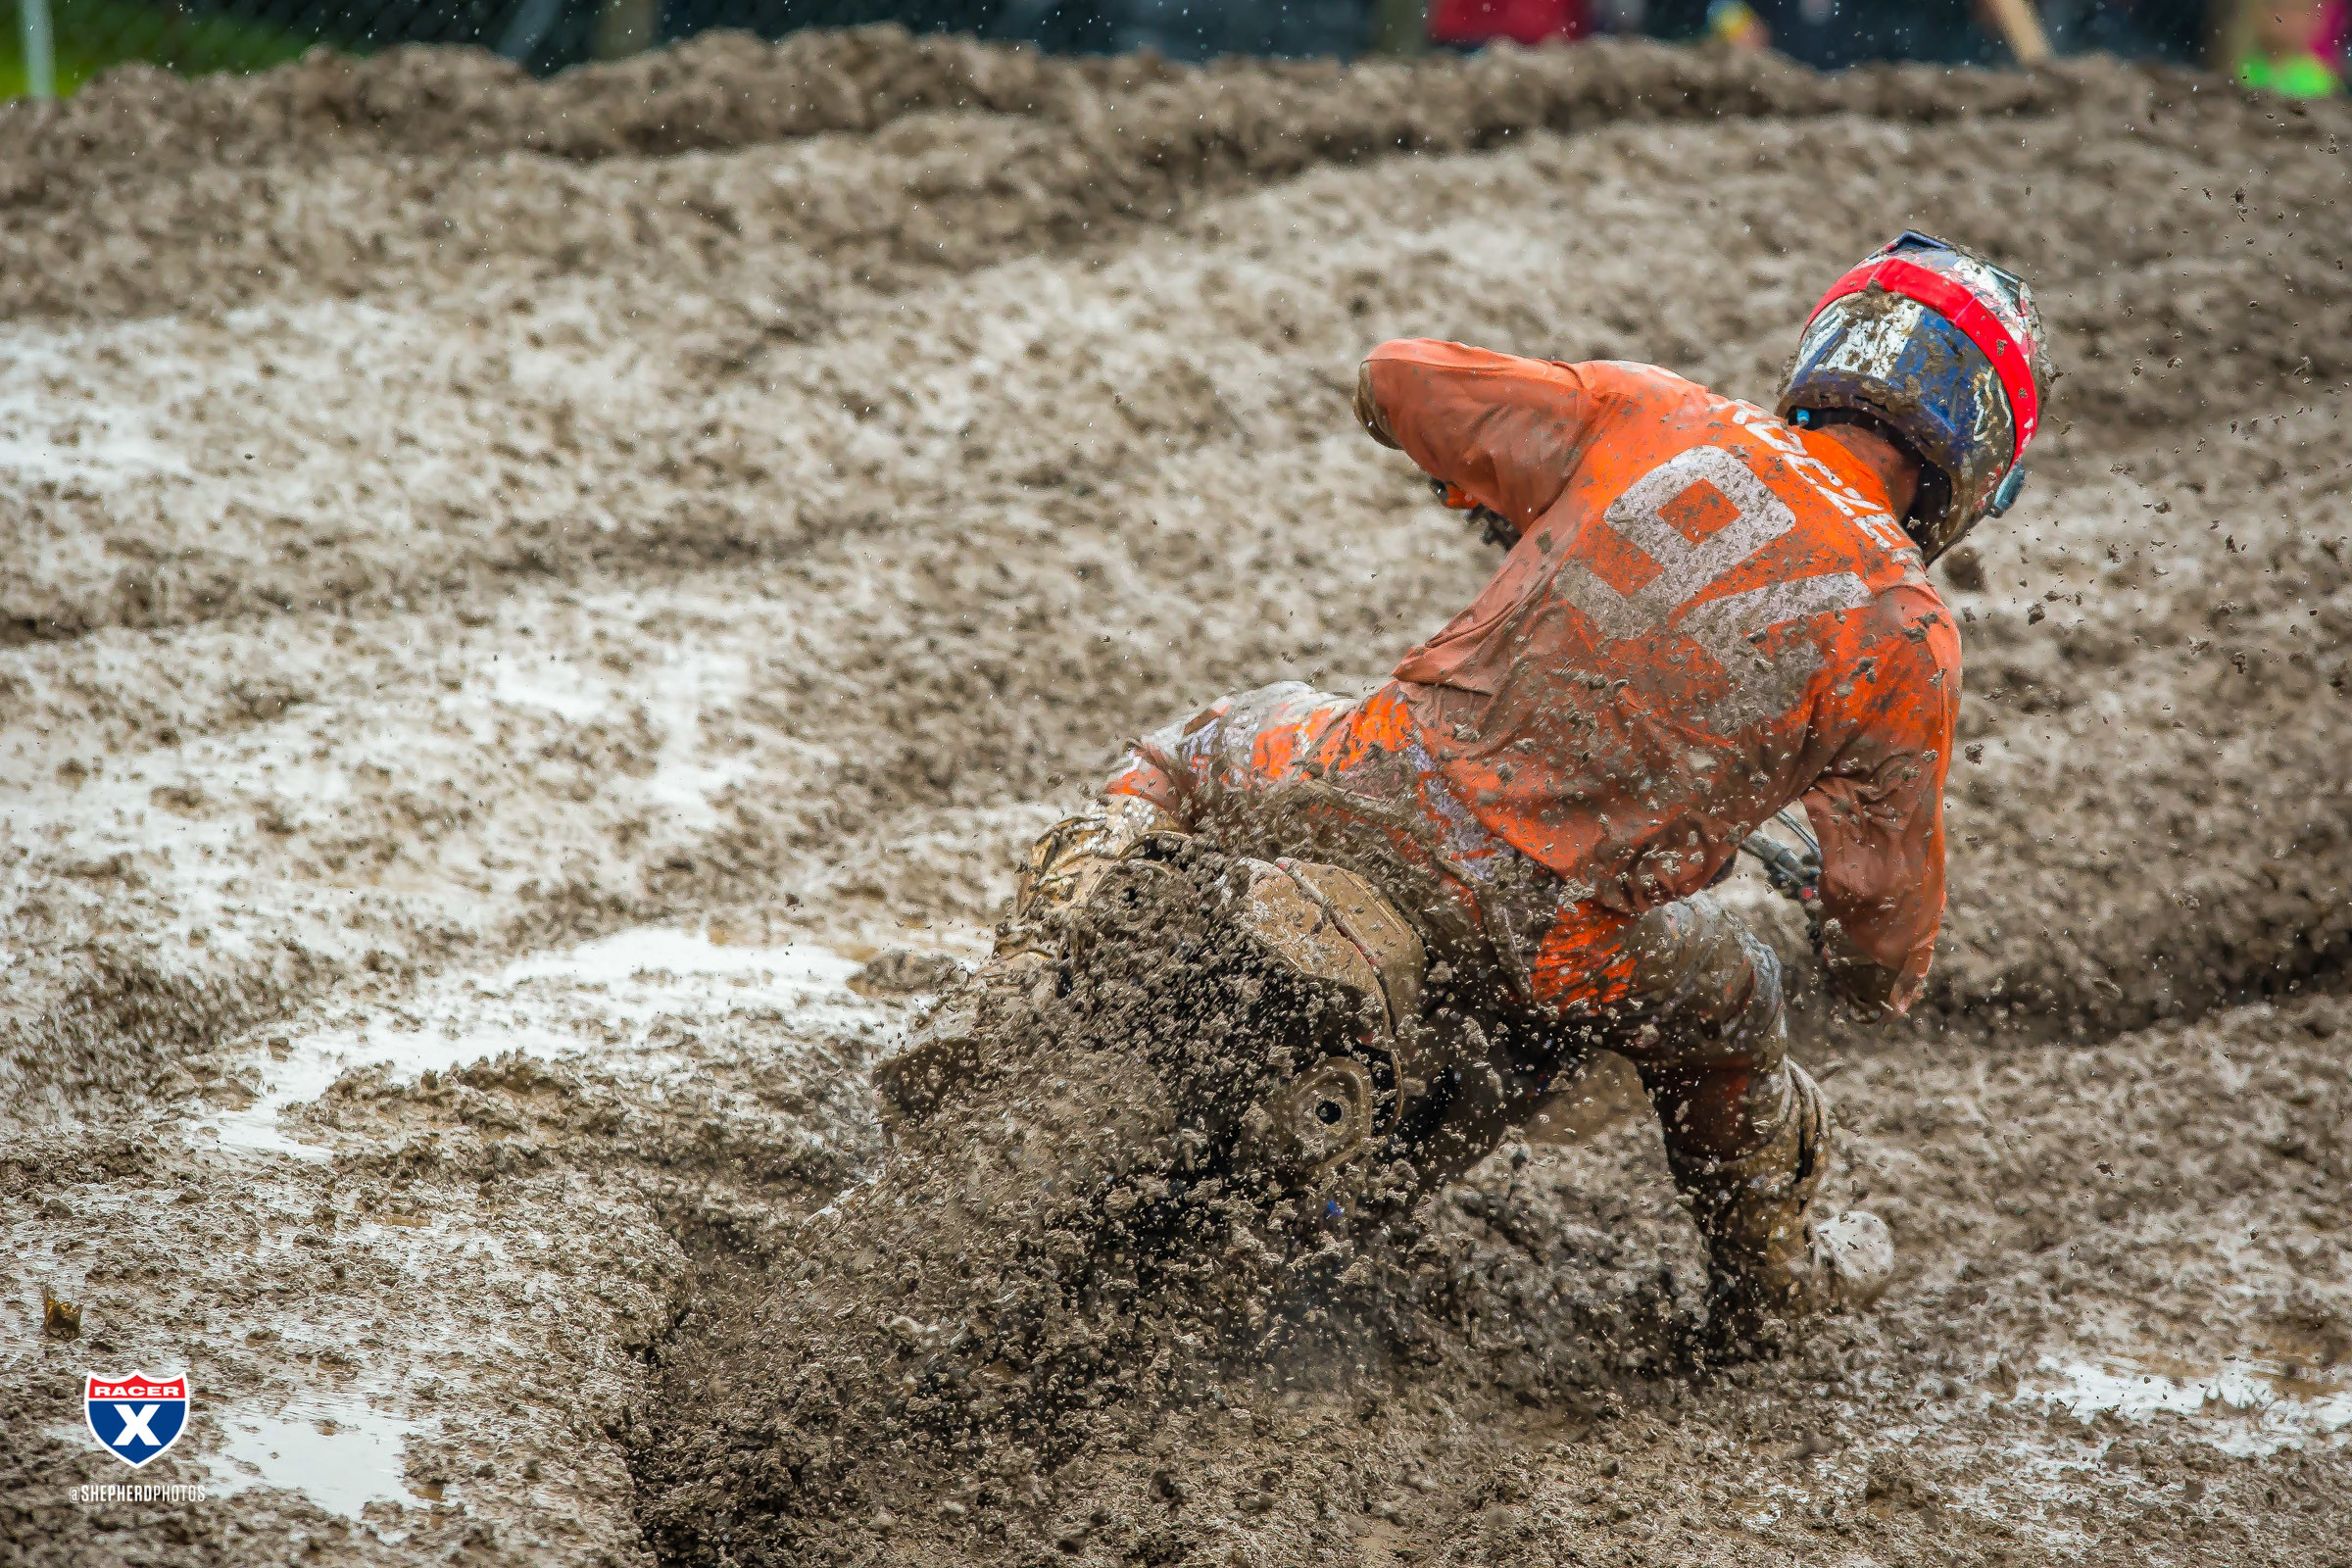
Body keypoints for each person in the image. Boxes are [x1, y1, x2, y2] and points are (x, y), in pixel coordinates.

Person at [900, 232, 2051, 1349]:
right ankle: (1765, 1294)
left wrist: (1510, 478)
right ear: (1975, 463)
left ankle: (1014, 983)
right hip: (1550, 937)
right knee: (1739, 1002)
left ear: (1832, 352)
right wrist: (1861, 966)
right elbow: (1887, 920)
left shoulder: (1658, 418)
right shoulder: (1905, 633)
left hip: (1357, 783)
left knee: (1187, 753)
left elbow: (1395, 378)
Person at [2233, 0, 2342, 96]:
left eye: (2297, 9)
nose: (2288, 18)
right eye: (2276, 7)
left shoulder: (2319, 79)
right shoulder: (2244, 68)